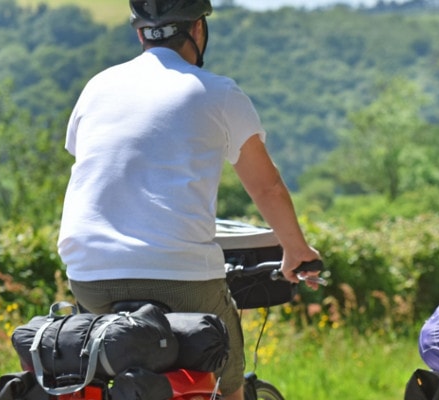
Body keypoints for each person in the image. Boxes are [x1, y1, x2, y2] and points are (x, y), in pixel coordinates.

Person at [56, 0, 321, 397]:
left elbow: (99, 166)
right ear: (198, 31)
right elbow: (267, 187)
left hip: (91, 276)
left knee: (105, 370)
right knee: (224, 376)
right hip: (179, 276)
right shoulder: (219, 92)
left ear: (139, 32)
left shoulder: (97, 86)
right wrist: (295, 249)